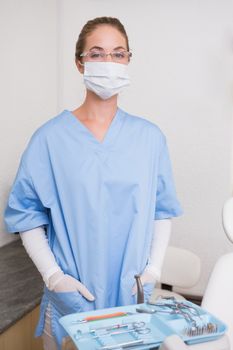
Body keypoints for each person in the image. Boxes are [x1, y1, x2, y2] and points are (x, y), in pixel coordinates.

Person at [4, 16, 182, 350]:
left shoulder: (149, 138)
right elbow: (26, 215)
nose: (109, 62)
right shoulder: (49, 139)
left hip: (132, 296)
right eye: (97, 53)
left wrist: (153, 270)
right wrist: (54, 277)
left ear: (129, 60)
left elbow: (161, 210)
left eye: (118, 54)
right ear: (79, 62)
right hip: (73, 300)